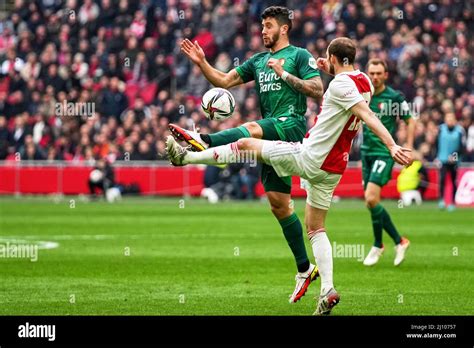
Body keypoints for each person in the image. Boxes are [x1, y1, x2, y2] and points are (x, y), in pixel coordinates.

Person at [166, 37, 412, 315]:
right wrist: (330, 68)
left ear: (331, 57)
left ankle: (187, 156)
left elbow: (366, 114)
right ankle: (327, 290)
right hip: (333, 169)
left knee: (247, 145)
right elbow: (352, 93)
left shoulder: (342, 85)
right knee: (316, 227)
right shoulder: (364, 81)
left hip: (311, 157)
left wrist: (391, 144)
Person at [169, 6, 324, 303]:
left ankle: (203, 140)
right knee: (280, 206)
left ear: (284, 28)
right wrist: (202, 62)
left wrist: (287, 75)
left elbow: (317, 89)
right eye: (262, 26)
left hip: (290, 125)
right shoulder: (258, 61)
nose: (263, 31)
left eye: (268, 26)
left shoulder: (299, 56)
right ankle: (305, 269)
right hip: (272, 136)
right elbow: (224, 81)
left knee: (250, 128)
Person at [361, 59, 415, 267]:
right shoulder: (363, 95)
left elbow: (410, 120)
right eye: (371, 73)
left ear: (385, 75)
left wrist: (407, 147)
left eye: (378, 73)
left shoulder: (394, 97)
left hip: (384, 153)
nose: (374, 76)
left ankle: (377, 245)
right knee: (370, 202)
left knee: (371, 198)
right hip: (366, 154)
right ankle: (399, 241)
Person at [436, 112, 465, 211]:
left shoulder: (459, 131)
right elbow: (437, 143)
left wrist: (454, 156)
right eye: (448, 118)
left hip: (454, 161)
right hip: (443, 159)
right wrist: (437, 156)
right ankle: (441, 200)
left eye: (451, 118)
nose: (449, 120)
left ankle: (452, 202)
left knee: (453, 180)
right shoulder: (441, 129)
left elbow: (461, 147)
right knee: (442, 179)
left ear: (455, 120)